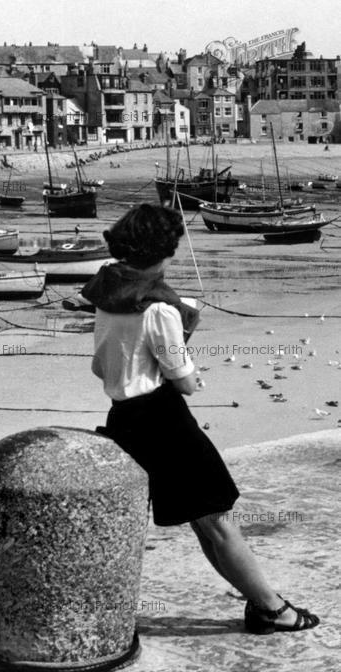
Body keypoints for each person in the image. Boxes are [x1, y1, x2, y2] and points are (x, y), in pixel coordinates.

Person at [82, 204, 319, 634]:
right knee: (217, 520)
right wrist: (191, 371)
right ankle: (271, 607)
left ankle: (261, 603)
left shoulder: (106, 297)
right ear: (164, 252)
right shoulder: (159, 309)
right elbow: (184, 380)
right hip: (164, 422)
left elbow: (100, 368)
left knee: (204, 521)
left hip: (123, 420)